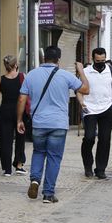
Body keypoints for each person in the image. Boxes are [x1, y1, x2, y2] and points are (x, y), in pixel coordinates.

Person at [17, 46, 89, 203]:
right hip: (58, 124)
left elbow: (22, 99)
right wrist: (81, 72)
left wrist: (19, 120)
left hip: (39, 123)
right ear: (58, 59)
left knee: (38, 152)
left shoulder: (31, 75)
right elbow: (86, 89)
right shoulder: (65, 76)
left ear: (44, 58)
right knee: (54, 157)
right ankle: (48, 194)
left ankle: (35, 180)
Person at [78, 48, 112, 179]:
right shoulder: (85, 72)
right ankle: (87, 166)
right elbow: (78, 89)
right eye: (98, 61)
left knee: (104, 139)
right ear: (93, 59)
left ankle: (101, 169)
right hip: (90, 109)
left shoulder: (111, 70)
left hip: (106, 108)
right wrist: (81, 103)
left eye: (103, 60)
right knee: (89, 137)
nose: (101, 63)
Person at [0, 55, 27, 176]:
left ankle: (7, 169)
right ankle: (19, 165)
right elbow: (26, 94)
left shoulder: (1, 79)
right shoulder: (22, 77)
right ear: (15, 65)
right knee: (20, 138)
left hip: (5, 110)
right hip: (19, 111)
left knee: (5, 140)